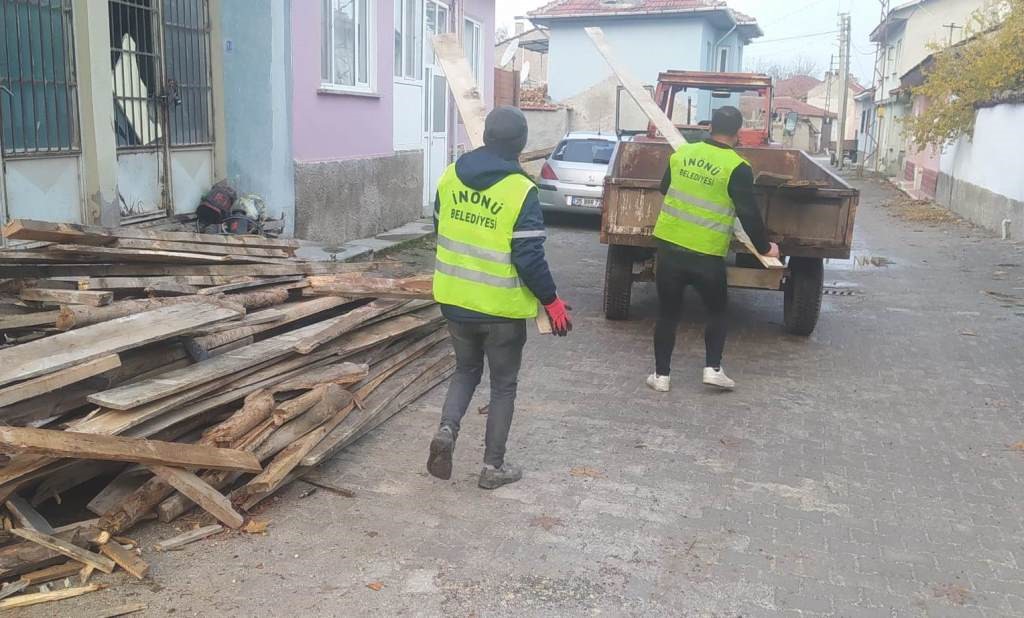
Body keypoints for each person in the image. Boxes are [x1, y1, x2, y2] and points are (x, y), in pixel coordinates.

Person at [428, 106, 572, 490]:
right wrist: (552, 301)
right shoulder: (521, 189)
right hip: (501, 310)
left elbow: (439, 229)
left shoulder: (449, 176)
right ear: (521, 145)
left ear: (485, 136)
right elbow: (529, 257)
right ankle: (492, 468)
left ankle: (447, 429)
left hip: (455, 300)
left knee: (465, 371)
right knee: (503, 385)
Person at [646, 105, 780, 393]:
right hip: (707, 254)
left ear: (709, 127)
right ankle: (712, 369)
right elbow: (749, 214)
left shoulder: (682, 154)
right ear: (737, 132)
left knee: (668, 313)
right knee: (717, 311)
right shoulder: (737, 167)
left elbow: (664, 187)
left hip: (670, 247)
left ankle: (661, 376)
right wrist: (765, 247)